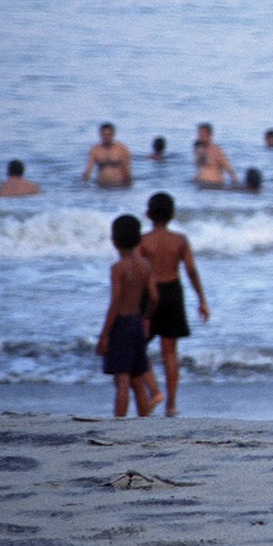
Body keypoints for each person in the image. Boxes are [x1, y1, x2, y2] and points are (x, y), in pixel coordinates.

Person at [140, 192, 208, 416]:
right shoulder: (179, 240)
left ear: (148, 213)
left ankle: (152, 393)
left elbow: (138, 274)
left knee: (138, 347)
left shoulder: (143, 240)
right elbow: (191, 271)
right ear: (172, 214)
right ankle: (171, 405)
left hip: (150, 294)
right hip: (173, 293)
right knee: (170, 352)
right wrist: (201, 300)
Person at [96, 214, 158, 418]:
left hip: (121, 324)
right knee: (137, 378)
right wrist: (147, 319)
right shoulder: (145, 265)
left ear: (114, 241)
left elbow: (115, 302)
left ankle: (118, 424)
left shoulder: (117, 268)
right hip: (137, 322)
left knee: (122, 380)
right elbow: (155, 297)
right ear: (139, 239)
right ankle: (143, 422)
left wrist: (104, 335)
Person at [82, 123, 133, 189]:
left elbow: (126, 170)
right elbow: (88, 170)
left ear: (113, 134)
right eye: (104, 135)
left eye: (109, 135)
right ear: (100, 134)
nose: (106, 137)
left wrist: (128, 187)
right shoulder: (95, 150)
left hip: (119, 186)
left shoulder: (121, 149)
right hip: (101, 186)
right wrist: (83, 185)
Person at [192, 123, 237, 188]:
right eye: (199, 133)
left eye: (203, 133)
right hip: (200, 185)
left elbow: (229, 169)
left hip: (214, 186)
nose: (200, 136)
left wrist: (235, 183)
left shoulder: (216, 151)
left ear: (209, 135)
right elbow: (200, 168)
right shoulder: (198, 150)